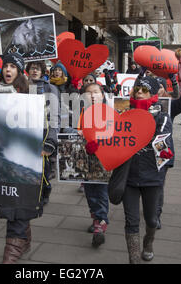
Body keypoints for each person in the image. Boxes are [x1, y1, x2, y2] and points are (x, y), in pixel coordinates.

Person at [0, 53, 50, 264]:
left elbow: (48, 123)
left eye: (13, 66)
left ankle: (11, 254)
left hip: (28, 158)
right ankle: (24, 238)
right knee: (11, 203)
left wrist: (48, 145)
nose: (8, 70)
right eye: (5, 66)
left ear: (19, 71)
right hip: (3, 160)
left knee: (21, 202)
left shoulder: (32, 95)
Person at [122, 76, 174, 263]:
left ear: (152, 94)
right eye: (137, 90)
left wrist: (164, 152)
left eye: (144, 91)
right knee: (131, 221)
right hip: (129, 176)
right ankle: (134, 258)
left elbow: (162, 142)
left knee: (152, 219)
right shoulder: (125, 114)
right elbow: (115, 140)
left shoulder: (162, 117)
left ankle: (149, 242)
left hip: (152, 177)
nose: (140, 94)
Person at [78, 83, 110, 248]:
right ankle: (96, 218)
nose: (92, 96)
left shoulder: (109, 113)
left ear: (102, 95)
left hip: (102, 163)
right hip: (85, 162)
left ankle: (101, 224)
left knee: (101, 192)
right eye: (88, 93)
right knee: (90, 193)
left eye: (96, 92)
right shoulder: (80, 113)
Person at [26, 60, 60, 203]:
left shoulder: (50, 88)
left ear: (42, 71)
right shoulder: (22, 86)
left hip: (44, 133)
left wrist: (51, 139)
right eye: (32, 68)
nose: (34, 71)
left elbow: (55, 115)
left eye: (37, 69)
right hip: (27, 132)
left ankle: (45, 191)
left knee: (44, 167)